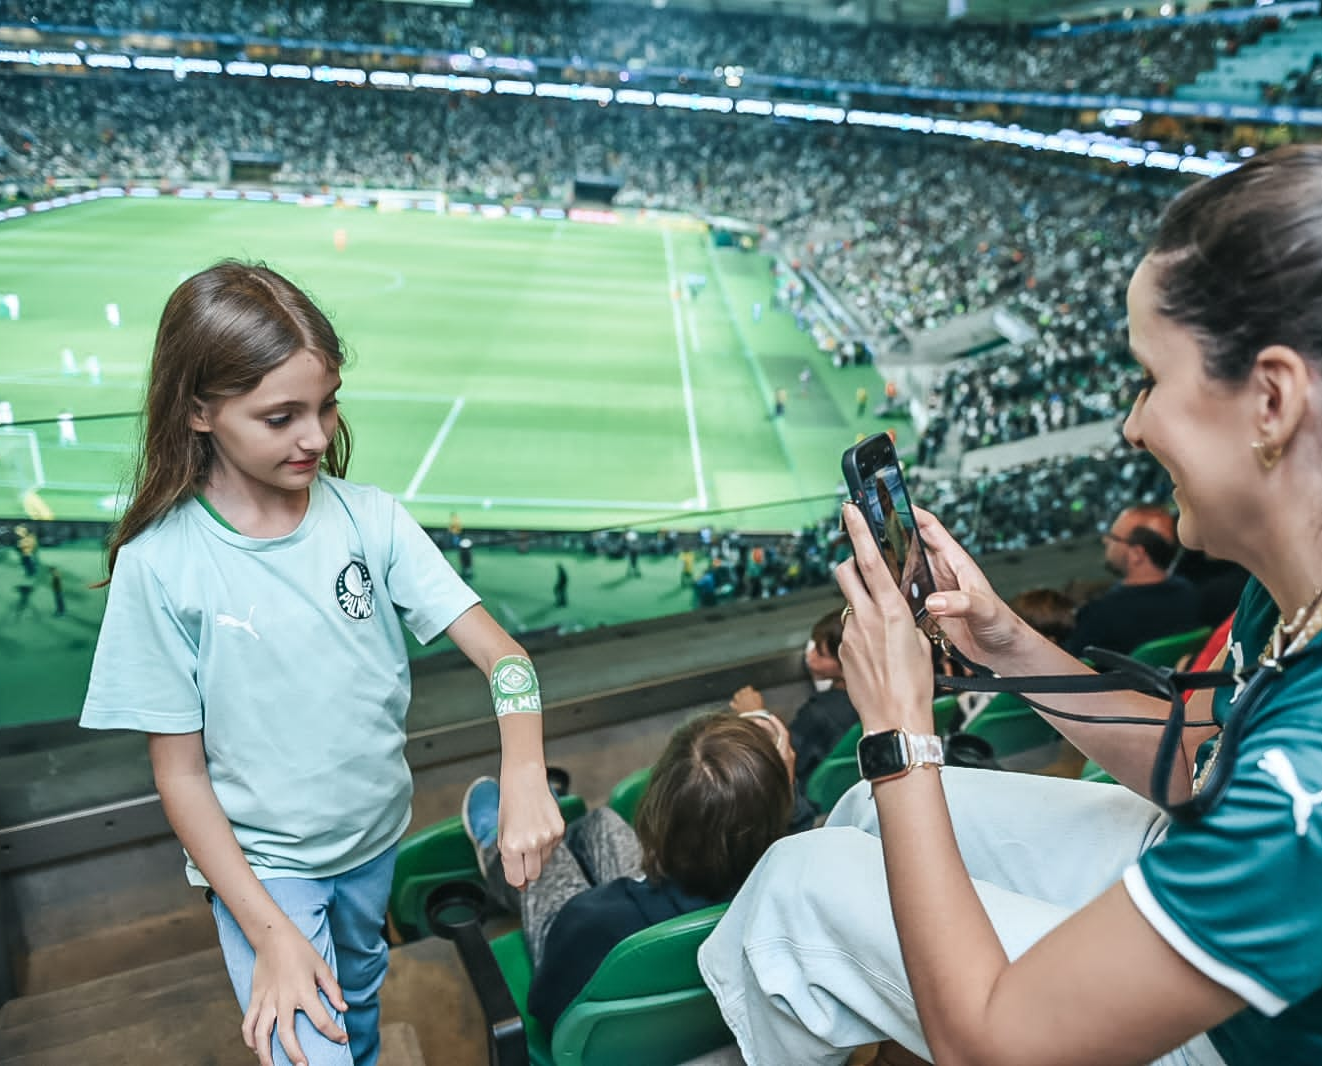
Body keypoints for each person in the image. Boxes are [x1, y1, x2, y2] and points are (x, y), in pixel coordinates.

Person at [699, 144, 1322, 1065]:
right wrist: (1006, 646)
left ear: (1271, 400)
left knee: (805, 879)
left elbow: (990, 1044)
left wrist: (899, 734)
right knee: (871, 820)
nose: (1132, 422)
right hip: (1285, 964)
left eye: (1151, 377)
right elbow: (1205, 765)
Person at [78, 261, 565, 1066]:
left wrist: (522, 770)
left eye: (325, 405)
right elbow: (181, 777)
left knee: (361, 1000)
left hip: (373, 840)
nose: (315, 436)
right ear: (199, 410)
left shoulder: (371, 521)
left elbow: (506, 660)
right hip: (262, 872)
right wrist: (268, 932)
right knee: (313, 1048)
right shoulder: (159, 566)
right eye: (280, 417)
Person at [463, 712, 793, 1037]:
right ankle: (552, 818)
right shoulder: (793, 878)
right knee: (601, 824)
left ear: (652, 814)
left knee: (549, 858)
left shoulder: (588, 918)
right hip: (700, 911)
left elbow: (546, 1006)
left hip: (604, 1001)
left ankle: (496, 848)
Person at [731, 607, 854, 803]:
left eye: (821, 654)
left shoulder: (818, 713)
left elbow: (782, 760)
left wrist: (757, 714)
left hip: (809, 798)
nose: (810, 655)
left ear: (847, 663)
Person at [1065, 504, 1201, 658]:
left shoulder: (1100, 615)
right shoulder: (1189, 593)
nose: (1105, 540)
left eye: (1113, 537)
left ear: (1137, 554)